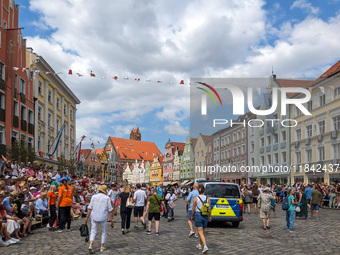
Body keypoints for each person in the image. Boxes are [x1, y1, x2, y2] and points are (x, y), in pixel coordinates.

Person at [86, 185, 114, 253]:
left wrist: (87, 216)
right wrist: (112, 218)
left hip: (94, 215)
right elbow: (110, 209)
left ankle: (90, 245)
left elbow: (90, 207)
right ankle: (102, 246)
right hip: (103, 216)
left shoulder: (94, 197)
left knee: (93, 231)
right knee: (103, 231)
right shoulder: (107, 198)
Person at [191, 185, 211, 254]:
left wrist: (192, 216)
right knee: (202, 232)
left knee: (200, 232)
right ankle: (200, 245)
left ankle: (205, 246)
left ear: (198, 191)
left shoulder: (196, 198)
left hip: (198, 214)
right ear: (204, 191)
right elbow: (209, 209)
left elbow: (193, 209)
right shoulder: (207, 198)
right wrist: (210, 216)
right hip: (205, 215)